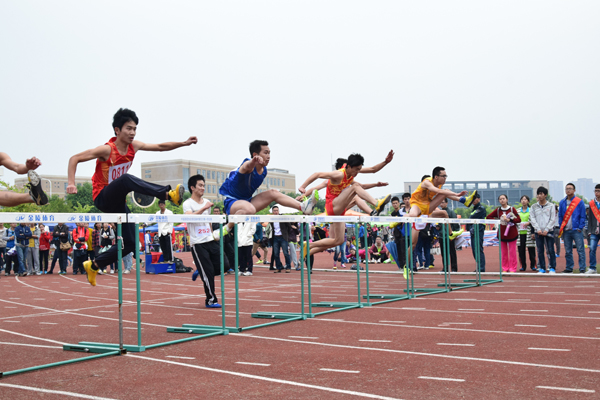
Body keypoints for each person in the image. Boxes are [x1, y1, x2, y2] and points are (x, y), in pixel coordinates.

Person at [67, 108, 195, 286]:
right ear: (117, 130)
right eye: (128, 128)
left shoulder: (133, 147)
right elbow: (74, 158)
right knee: (126, 179)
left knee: (131, 243)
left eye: (135, 129)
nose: (133, 132)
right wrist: (71, 183)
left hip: (118, 201)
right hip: (102, 197)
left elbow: (160, 147)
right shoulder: (106, 150)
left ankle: (94, 265)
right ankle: (167, 194)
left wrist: (183, 143)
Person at [298, 151, 394, 262]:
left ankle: (308, 246)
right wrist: (303, 188)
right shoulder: (338, 174)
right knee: (355, 187)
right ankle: (376, 204)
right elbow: (317, 174)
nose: (357, 172)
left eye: (359, 170)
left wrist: (385, 162)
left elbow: (372, 170)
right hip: (332, 205)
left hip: (340, 208)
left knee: (338, 240)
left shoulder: (352, 173)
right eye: (356, 169)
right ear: (348, 166)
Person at [219, 140, 317, 217]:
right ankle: (227, 227)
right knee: (250, 209)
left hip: (248, 201)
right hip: (233, 203)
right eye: (265, 153)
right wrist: (253, 162)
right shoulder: (247, 165)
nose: (268, 156)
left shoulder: (264, 171)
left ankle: (303, 207)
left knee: (273, 193)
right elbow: (246, 166)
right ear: (255, 155)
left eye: (269, 153)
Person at [408, 168, 476, 254]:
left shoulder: (439, 185)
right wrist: (456, 194)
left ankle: (451, 233)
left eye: (446, 176)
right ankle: (397, 221)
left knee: (444, 210)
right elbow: (437, 191)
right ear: (436, 177)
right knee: (413, 244)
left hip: (426, 209)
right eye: (443, 176)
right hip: (417, 207)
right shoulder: (426, 182)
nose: (445, 178)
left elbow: (440, 193)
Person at [184, 174, 222, 308]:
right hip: (198, 243)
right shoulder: (187, 204)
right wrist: (203, 208)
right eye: (200, 185)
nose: (203, 188)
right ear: (192, 187)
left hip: (209, 239)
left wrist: (212, 234)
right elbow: (189, 217)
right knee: (209, 273)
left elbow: (208, 220)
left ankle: (201, 271)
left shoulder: (206, 202)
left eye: (204, 185)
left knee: (225, 265)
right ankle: (211, 300)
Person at [486, 195, 521, 273]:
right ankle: (505, 268)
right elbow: (488, 217)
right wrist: (497, 221)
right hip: (502, 234)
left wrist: (510, 220)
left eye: (503, 199)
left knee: (512, 252)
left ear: (507, 200)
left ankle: (513, 268)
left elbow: (519, 219)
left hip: (512, 233)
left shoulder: (512, 209)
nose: (502, 200)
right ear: (499, 201)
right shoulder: (498, 210)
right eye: (500, 199)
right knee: (503, 253)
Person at [558, 183, 587, 274]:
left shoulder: (579, 201)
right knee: (568, 251)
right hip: (566, 230)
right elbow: (560, 215)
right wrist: (561, 226)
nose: (568, 190)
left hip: (576, 230)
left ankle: (582, 268)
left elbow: (583, 216)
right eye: (567, 188)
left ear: (574, 190)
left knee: (580, 250)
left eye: (570, 188)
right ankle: (569, 267)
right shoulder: (562, 202)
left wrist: (580, 227)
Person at [530, 187, 556, 273]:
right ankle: (542, 267)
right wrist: (537, 229)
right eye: (538, 194)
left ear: (545, 195)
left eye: (541, 194)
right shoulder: (534, 206)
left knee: (551, 250)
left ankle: (552, 267)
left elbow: (553, 219)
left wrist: (547, 229)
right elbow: (532, 218)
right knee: (540, 250)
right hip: (538, 232)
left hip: (549, 231)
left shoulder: (551, 206)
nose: (539, 195)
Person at [438, 198, 460, 272]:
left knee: (452, 252)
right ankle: (445, 268)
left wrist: (455, 234)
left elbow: (455, 224)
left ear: (447, 203)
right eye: (440, 203)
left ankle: (454, 268)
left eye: (443, 202)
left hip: (449, 235)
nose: (441, 204)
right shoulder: (439, 212)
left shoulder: (451, 212)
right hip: (441, 235)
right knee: (444, 253)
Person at [516, 195, 537, 272]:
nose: (523, 201)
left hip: (529, 232)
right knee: (521, 250)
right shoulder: (517, 211)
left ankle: (533, 265)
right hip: (520, 233)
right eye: (522, 199)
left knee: (531, 249)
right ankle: (522, 265)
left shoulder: (532, 210)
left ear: (528, 201)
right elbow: (515, 220)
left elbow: (535, 220)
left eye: (525, 199)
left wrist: (529, 223)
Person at [467, 193, 486, 272]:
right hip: (473, 231)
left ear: (479, 199)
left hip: (479, 231)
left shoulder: (481, 208)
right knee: (474, 250)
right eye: (472, 199)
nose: (473, 200)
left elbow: (472, 217)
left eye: (475, 198)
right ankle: (478, 267)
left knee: (478, 249)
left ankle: (481, 268)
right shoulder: (474, 208)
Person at [270, 206, 292, 273]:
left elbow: (289, 227)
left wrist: (286, 234)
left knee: (285, 253)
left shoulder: (283, 217)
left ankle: (288, 267)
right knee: (276, 254)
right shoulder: (271, 219)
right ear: (272, 211)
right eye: (274, 210)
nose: (276, 212)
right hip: (275, 237)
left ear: (279, 211)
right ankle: (278, 267)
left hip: (283, 237)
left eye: (277, 210)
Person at [585, 184, 600, 275]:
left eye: (598, 191)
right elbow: (589, 218)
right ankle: (592, 267)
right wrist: (589, 231)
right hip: (594, 230)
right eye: (595, 191)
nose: (596, 193)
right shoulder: (592, 203)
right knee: (592, 249)